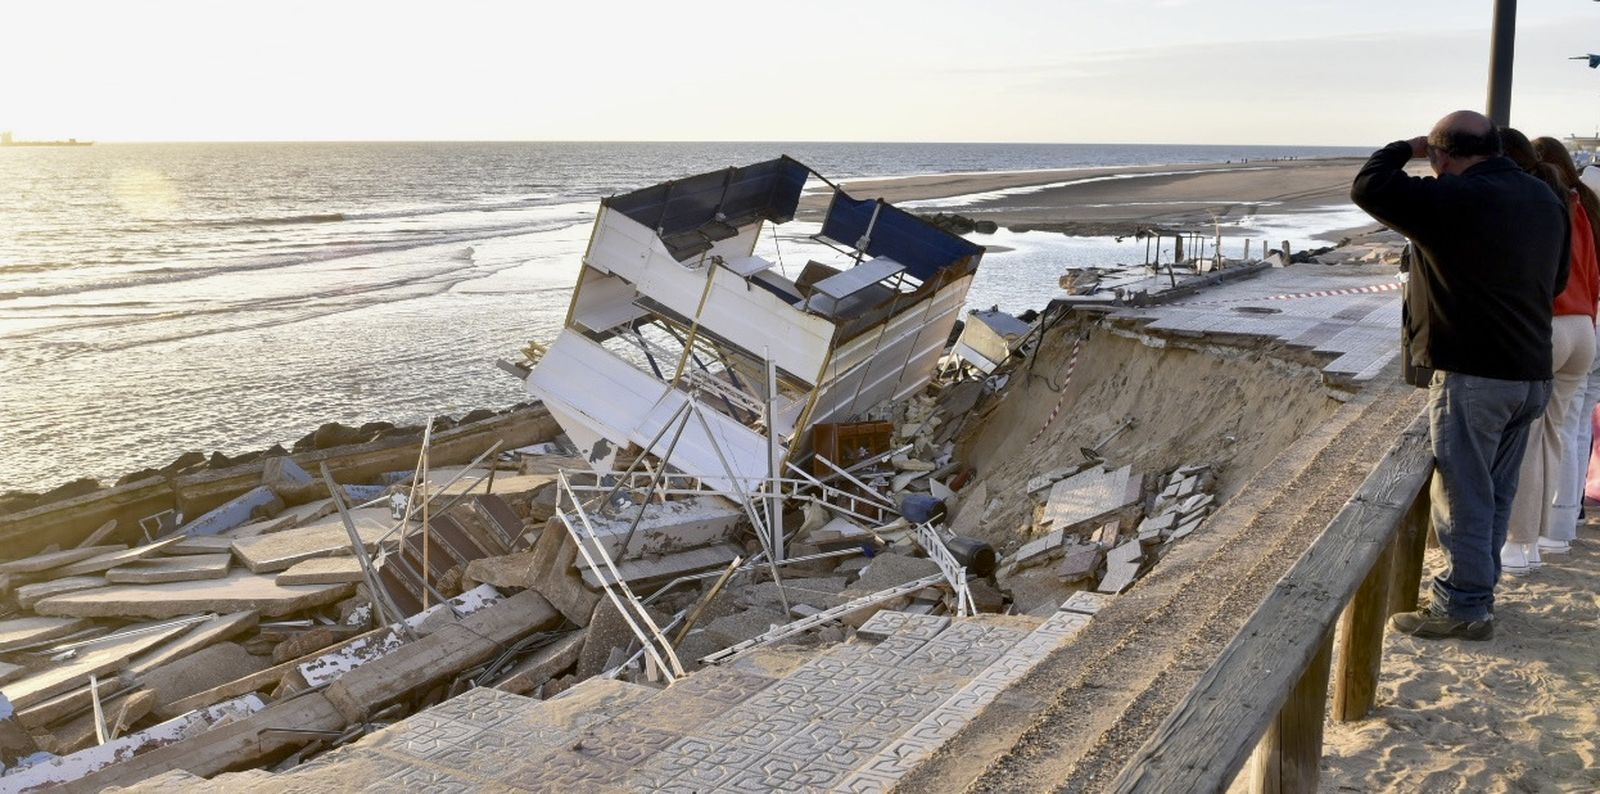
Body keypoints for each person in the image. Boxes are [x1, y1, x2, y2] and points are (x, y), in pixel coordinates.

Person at [1351, 110, 1569, 640]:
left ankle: (1465, 604)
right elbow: (1559, 278)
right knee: (1495, 491)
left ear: (1442, 157)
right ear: (1495, 146)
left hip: (1476, 373)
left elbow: (1369, 185)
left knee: (1464, 492)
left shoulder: (1452, 199)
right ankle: (1479, 592)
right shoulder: (1545, 197)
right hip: (1532, 372)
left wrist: (1407, 146)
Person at [1526, 136, 1600, 560]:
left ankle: (1550, 529)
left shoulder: (1557, 204)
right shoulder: (1587, 200)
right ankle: (1564, 523)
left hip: (1574, 318)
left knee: (1554, 430)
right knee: (1573, 426)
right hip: (1587, 323)